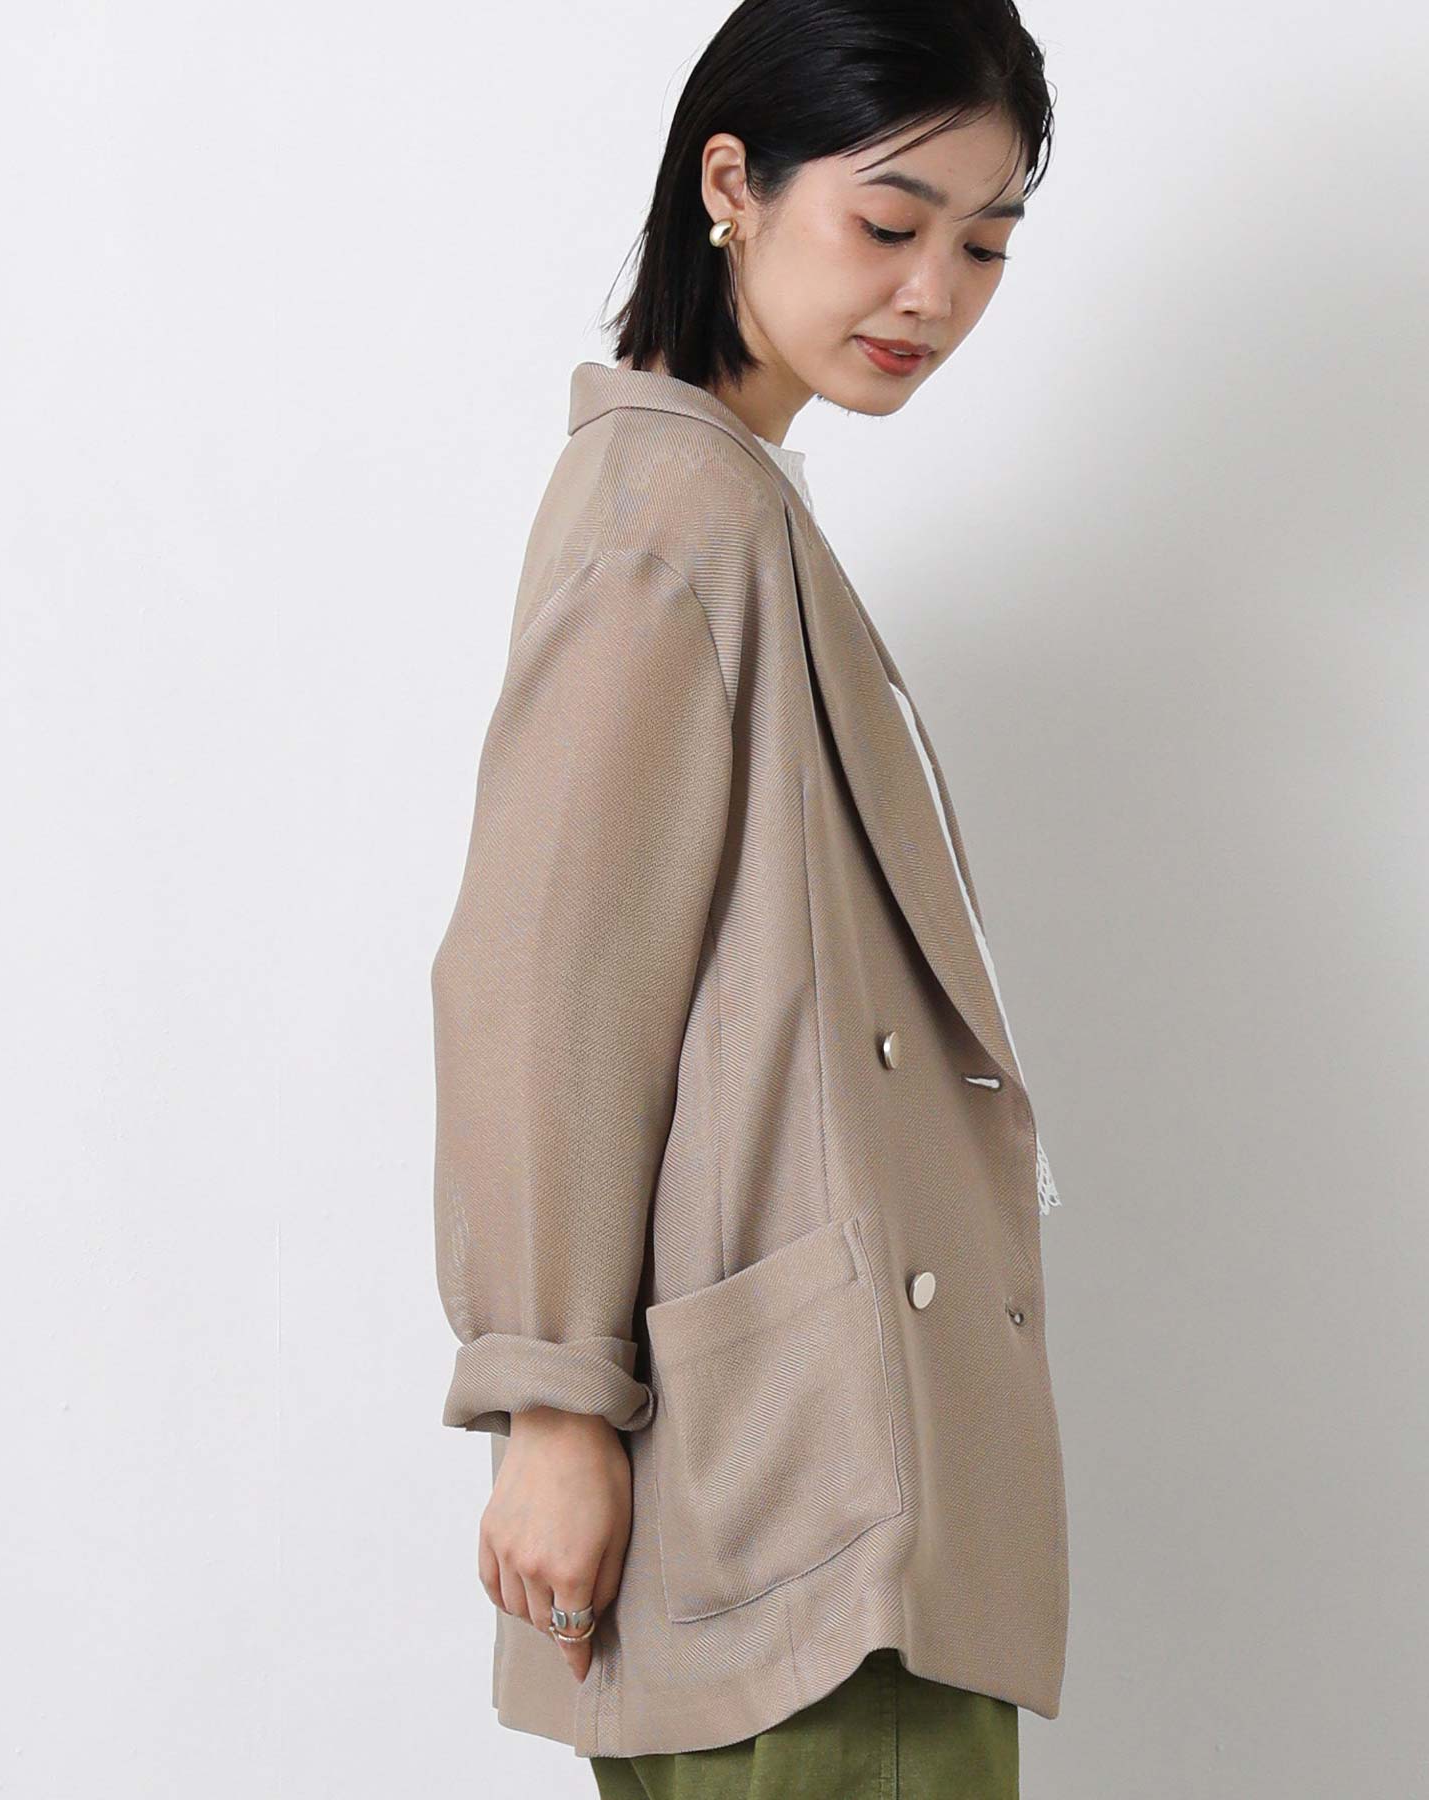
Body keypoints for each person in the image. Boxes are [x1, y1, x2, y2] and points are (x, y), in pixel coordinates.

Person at [429, 0, 1069, 1792]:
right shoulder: (675, 513)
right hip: (805, 1502)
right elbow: (543, 981)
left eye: (986, 244)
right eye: (890, 221)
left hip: (810, 1487)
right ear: (732, 183)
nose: (933, 292)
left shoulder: (731, 505)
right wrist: (552, 1404)